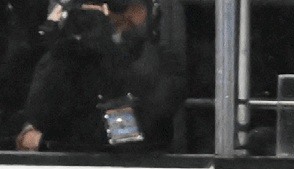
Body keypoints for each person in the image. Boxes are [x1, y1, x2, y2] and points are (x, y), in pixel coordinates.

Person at [12, 0, 183, 153]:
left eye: (120, 5)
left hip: (139, 164)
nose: (110, 14)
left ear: (151, 10)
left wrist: (112, 49)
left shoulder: (162, 61)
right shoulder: (64, 58)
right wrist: (64, 49)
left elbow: (155, 113)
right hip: (70, 161)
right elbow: (38, 117)